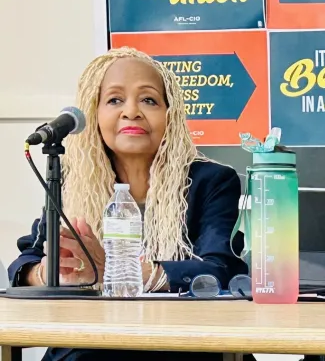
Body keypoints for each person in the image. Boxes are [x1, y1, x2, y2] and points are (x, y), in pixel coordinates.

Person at [8, 47, 252, 361]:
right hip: (90, 344)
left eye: (149, 100)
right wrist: (52, 272)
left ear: (171, 114)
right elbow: (27, 258)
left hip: (182, 346)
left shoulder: (212, 181)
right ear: (93, 113)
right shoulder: (70, 179)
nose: (132, 112)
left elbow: (221, 271)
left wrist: (111, 270)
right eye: (114, 100)